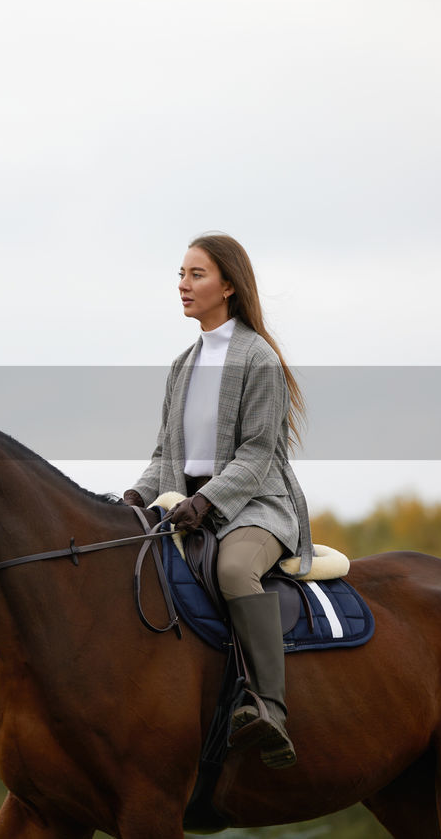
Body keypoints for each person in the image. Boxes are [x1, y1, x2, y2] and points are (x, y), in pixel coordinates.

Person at [123, 233, 313, 770]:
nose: (183, 285)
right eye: (180, 275)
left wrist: (206, 503)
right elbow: (167, 452)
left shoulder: (259, 359)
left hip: (257, 505)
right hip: (188, 503)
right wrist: (136, 495)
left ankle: (270, 708)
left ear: (228, 286)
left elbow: (256, 456)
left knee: (233, 571)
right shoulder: (183, 365)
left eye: (196, 275)